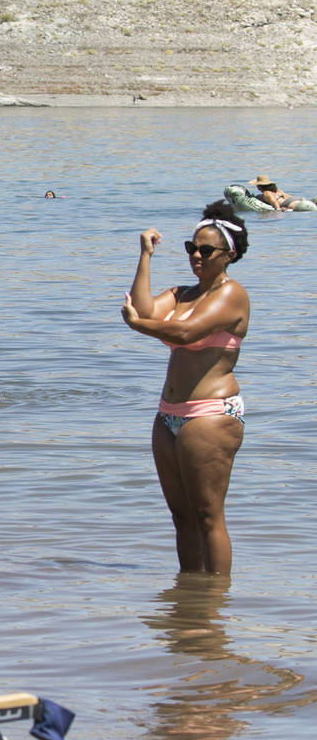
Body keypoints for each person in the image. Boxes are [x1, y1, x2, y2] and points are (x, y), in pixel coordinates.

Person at [121, 201, 249, 575]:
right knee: (181, 517)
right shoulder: (183, 294)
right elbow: (143, 310)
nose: (196, 256)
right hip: (168, 415)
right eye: (191, 248)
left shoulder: (232, 294)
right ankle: (190, 601)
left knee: (209, 515)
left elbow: (186, 332)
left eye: (206, 250)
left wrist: (138, 327)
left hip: (211, 415)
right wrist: (145, 256)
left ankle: (216, 602)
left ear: (229, 254)